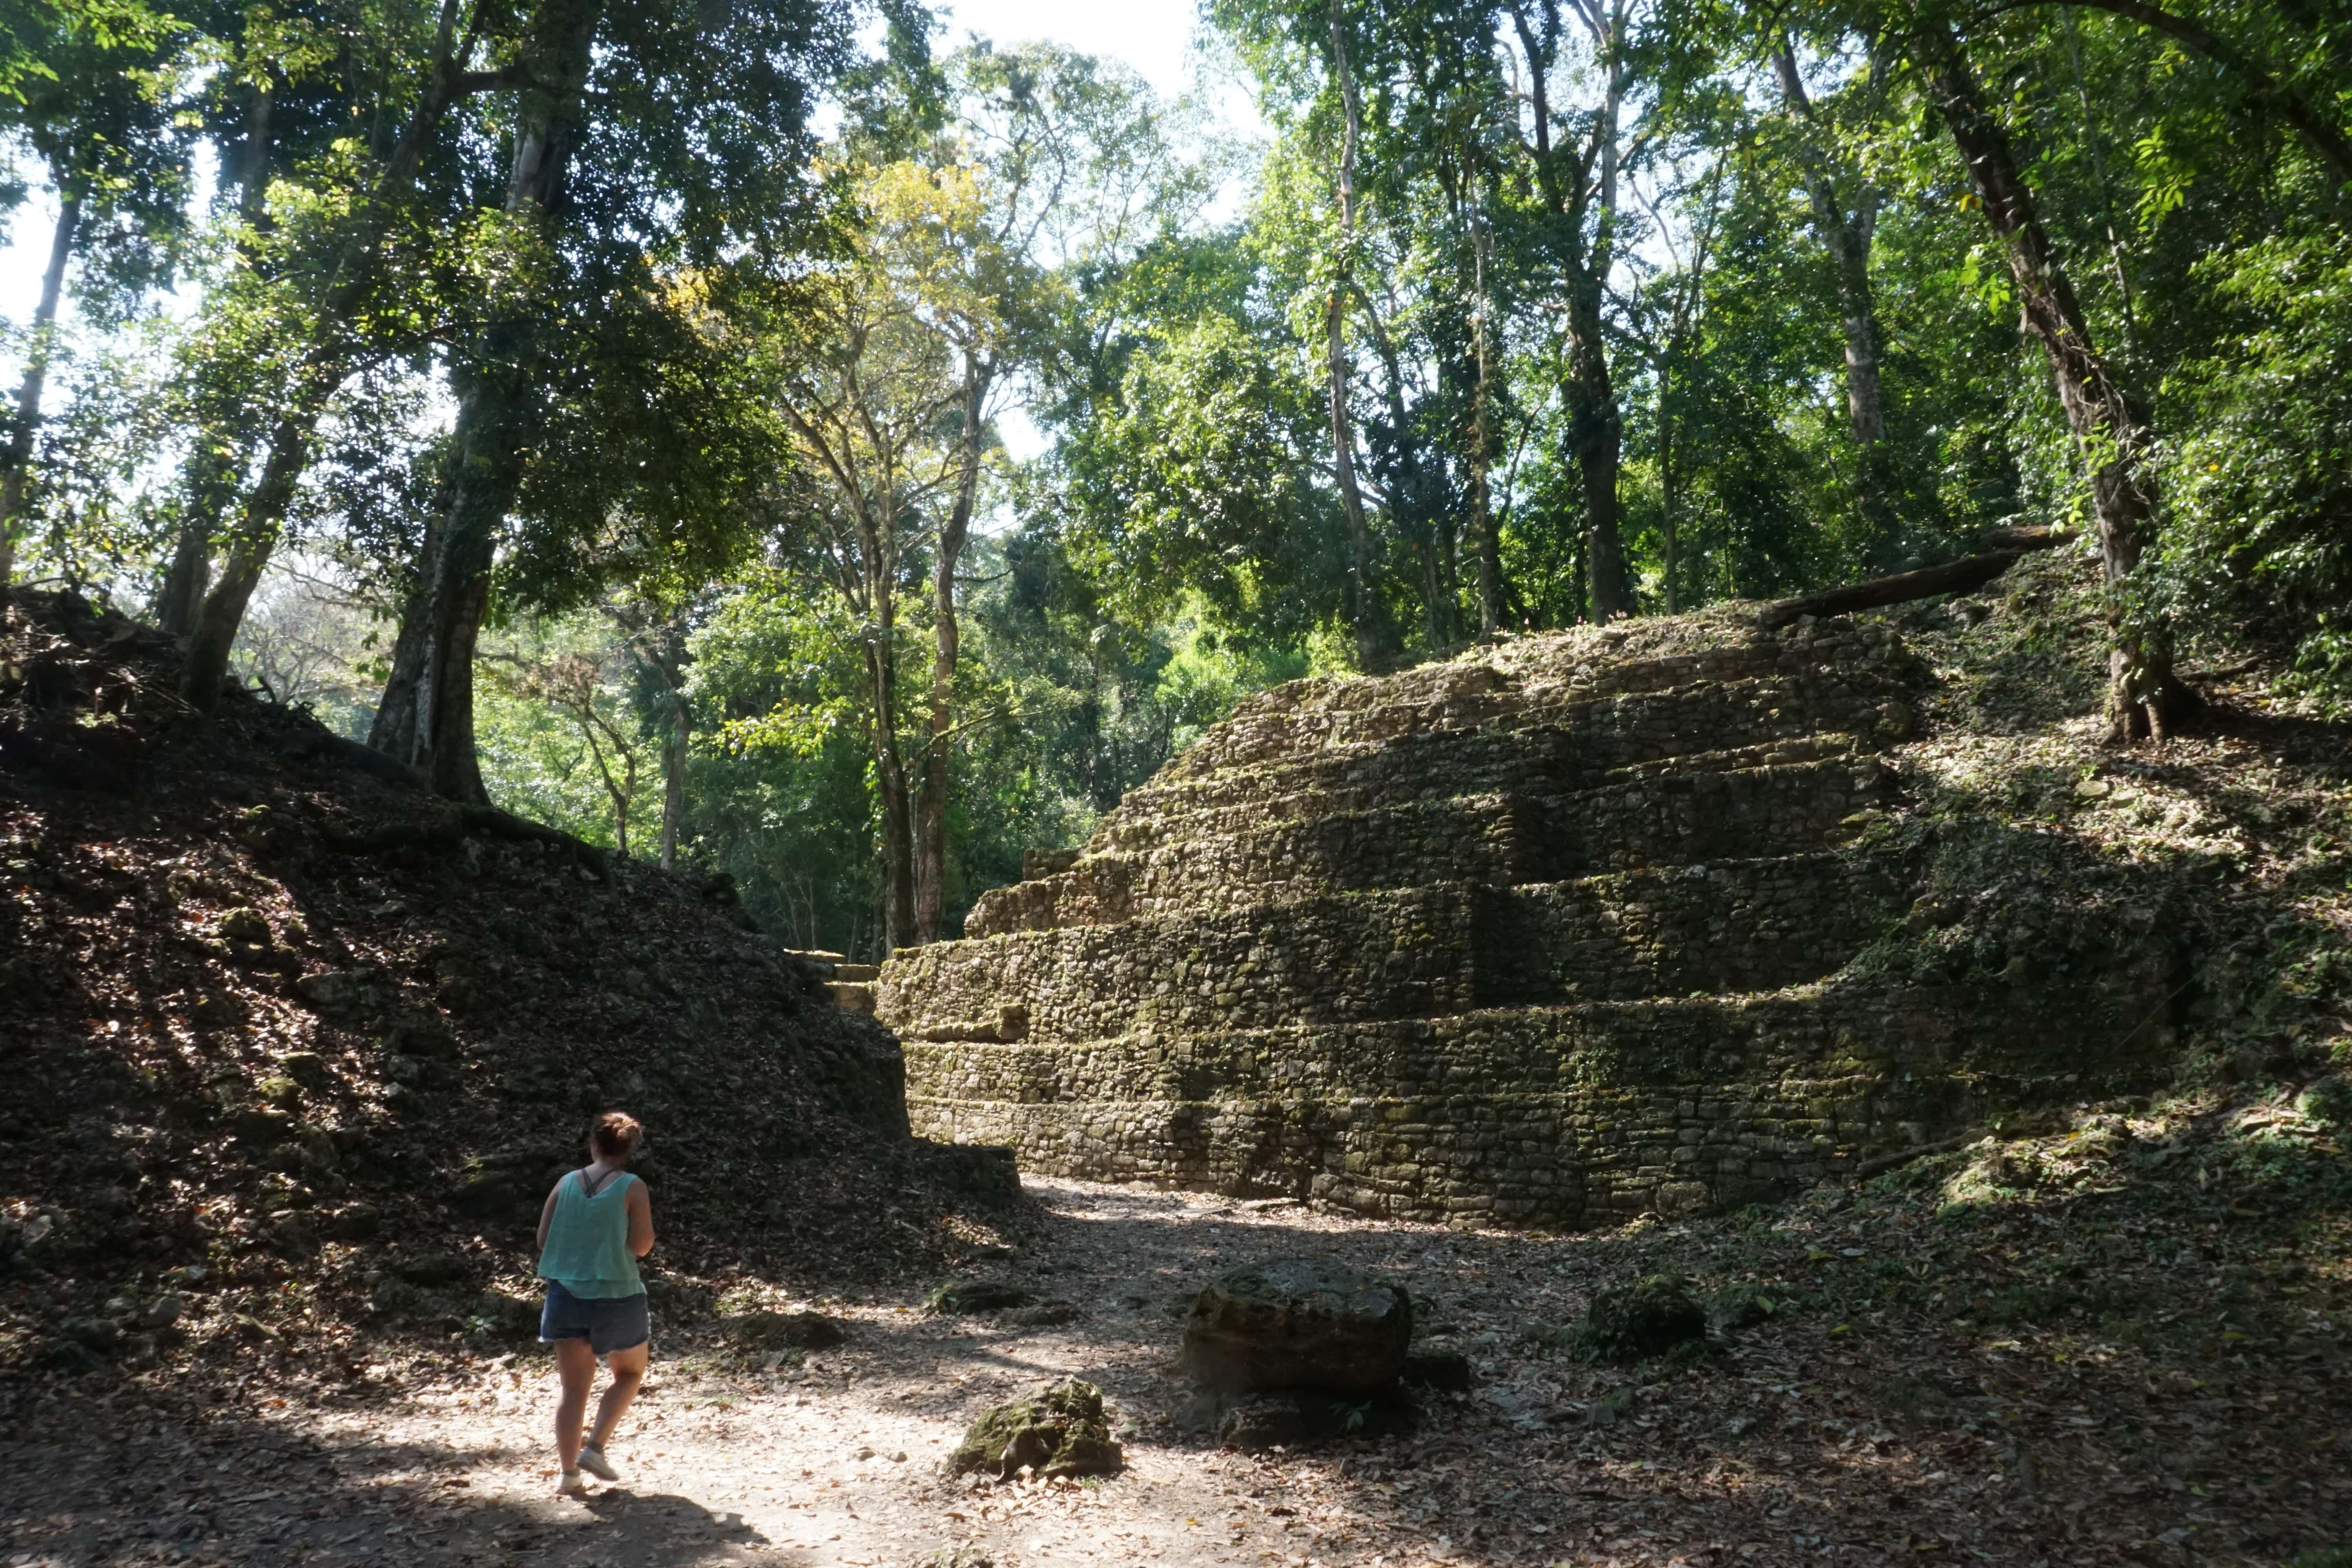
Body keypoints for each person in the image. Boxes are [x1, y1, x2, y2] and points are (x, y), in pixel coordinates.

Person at [535, 1111, 655, 1496]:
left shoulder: (566, 1182)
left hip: (565, 1294)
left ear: (594, 1145)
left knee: (573, 1390)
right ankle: (596, 1448)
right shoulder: (633, 1187)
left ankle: (569, 1476)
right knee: (630, 1374)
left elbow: (543, 1240)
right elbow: (641, 1247)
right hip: (617, 1295)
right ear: (628, 1149)